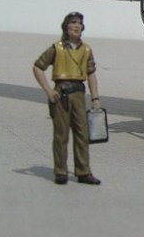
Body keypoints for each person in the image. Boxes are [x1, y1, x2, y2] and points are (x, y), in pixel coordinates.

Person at [33, 12, 102, 185]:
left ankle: (83, 171)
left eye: (79, 23)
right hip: (61, 94)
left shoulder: (86, 50)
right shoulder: (56, 48)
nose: (77, 26)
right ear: (66, 26)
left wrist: (95, 98)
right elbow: (38, 67)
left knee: (82, 134)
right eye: (73, 22)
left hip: (78, 93)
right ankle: (60, 171)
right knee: (61, 135)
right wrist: (49, 91)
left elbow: (91, 74)